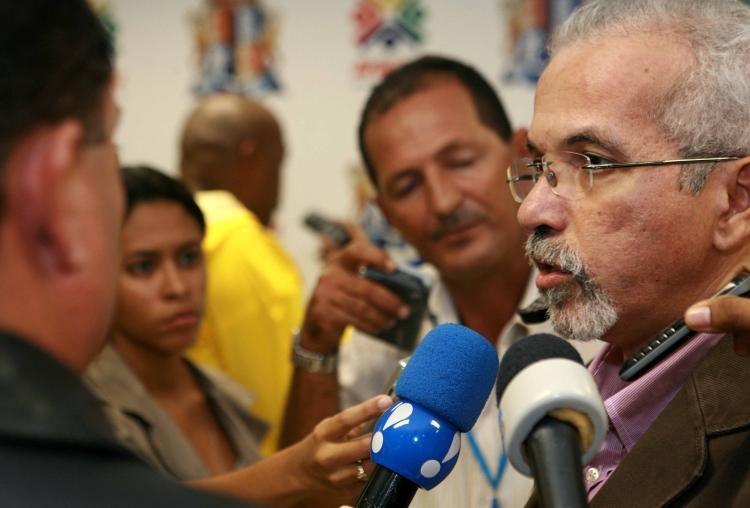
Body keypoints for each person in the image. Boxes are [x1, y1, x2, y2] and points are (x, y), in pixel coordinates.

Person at [0, 2, 388, 507]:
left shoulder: (215, 391)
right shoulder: (80, 424)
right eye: (109, 144)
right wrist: (293, 476)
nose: (176, 287)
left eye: (188, 258)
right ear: (52, 182)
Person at [282, 55, 602, 508]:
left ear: (521, 154)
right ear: (386, 212)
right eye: (407, 186)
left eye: (460, 162)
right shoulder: (382, 333)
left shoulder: (602, 306)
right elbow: (304, 494)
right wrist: (318, 346)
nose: (443, 201)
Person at [510, 0, 750, 505]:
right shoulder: (574, 404)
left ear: (736, 201)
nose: (532, 210)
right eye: (540, 166)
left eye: (593, 163)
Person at [180, 94, 302, 455]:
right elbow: (281, 401)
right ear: (251, 156)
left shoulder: (157, 237)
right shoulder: (238, 243)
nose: (279, 190)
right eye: (277, 165)